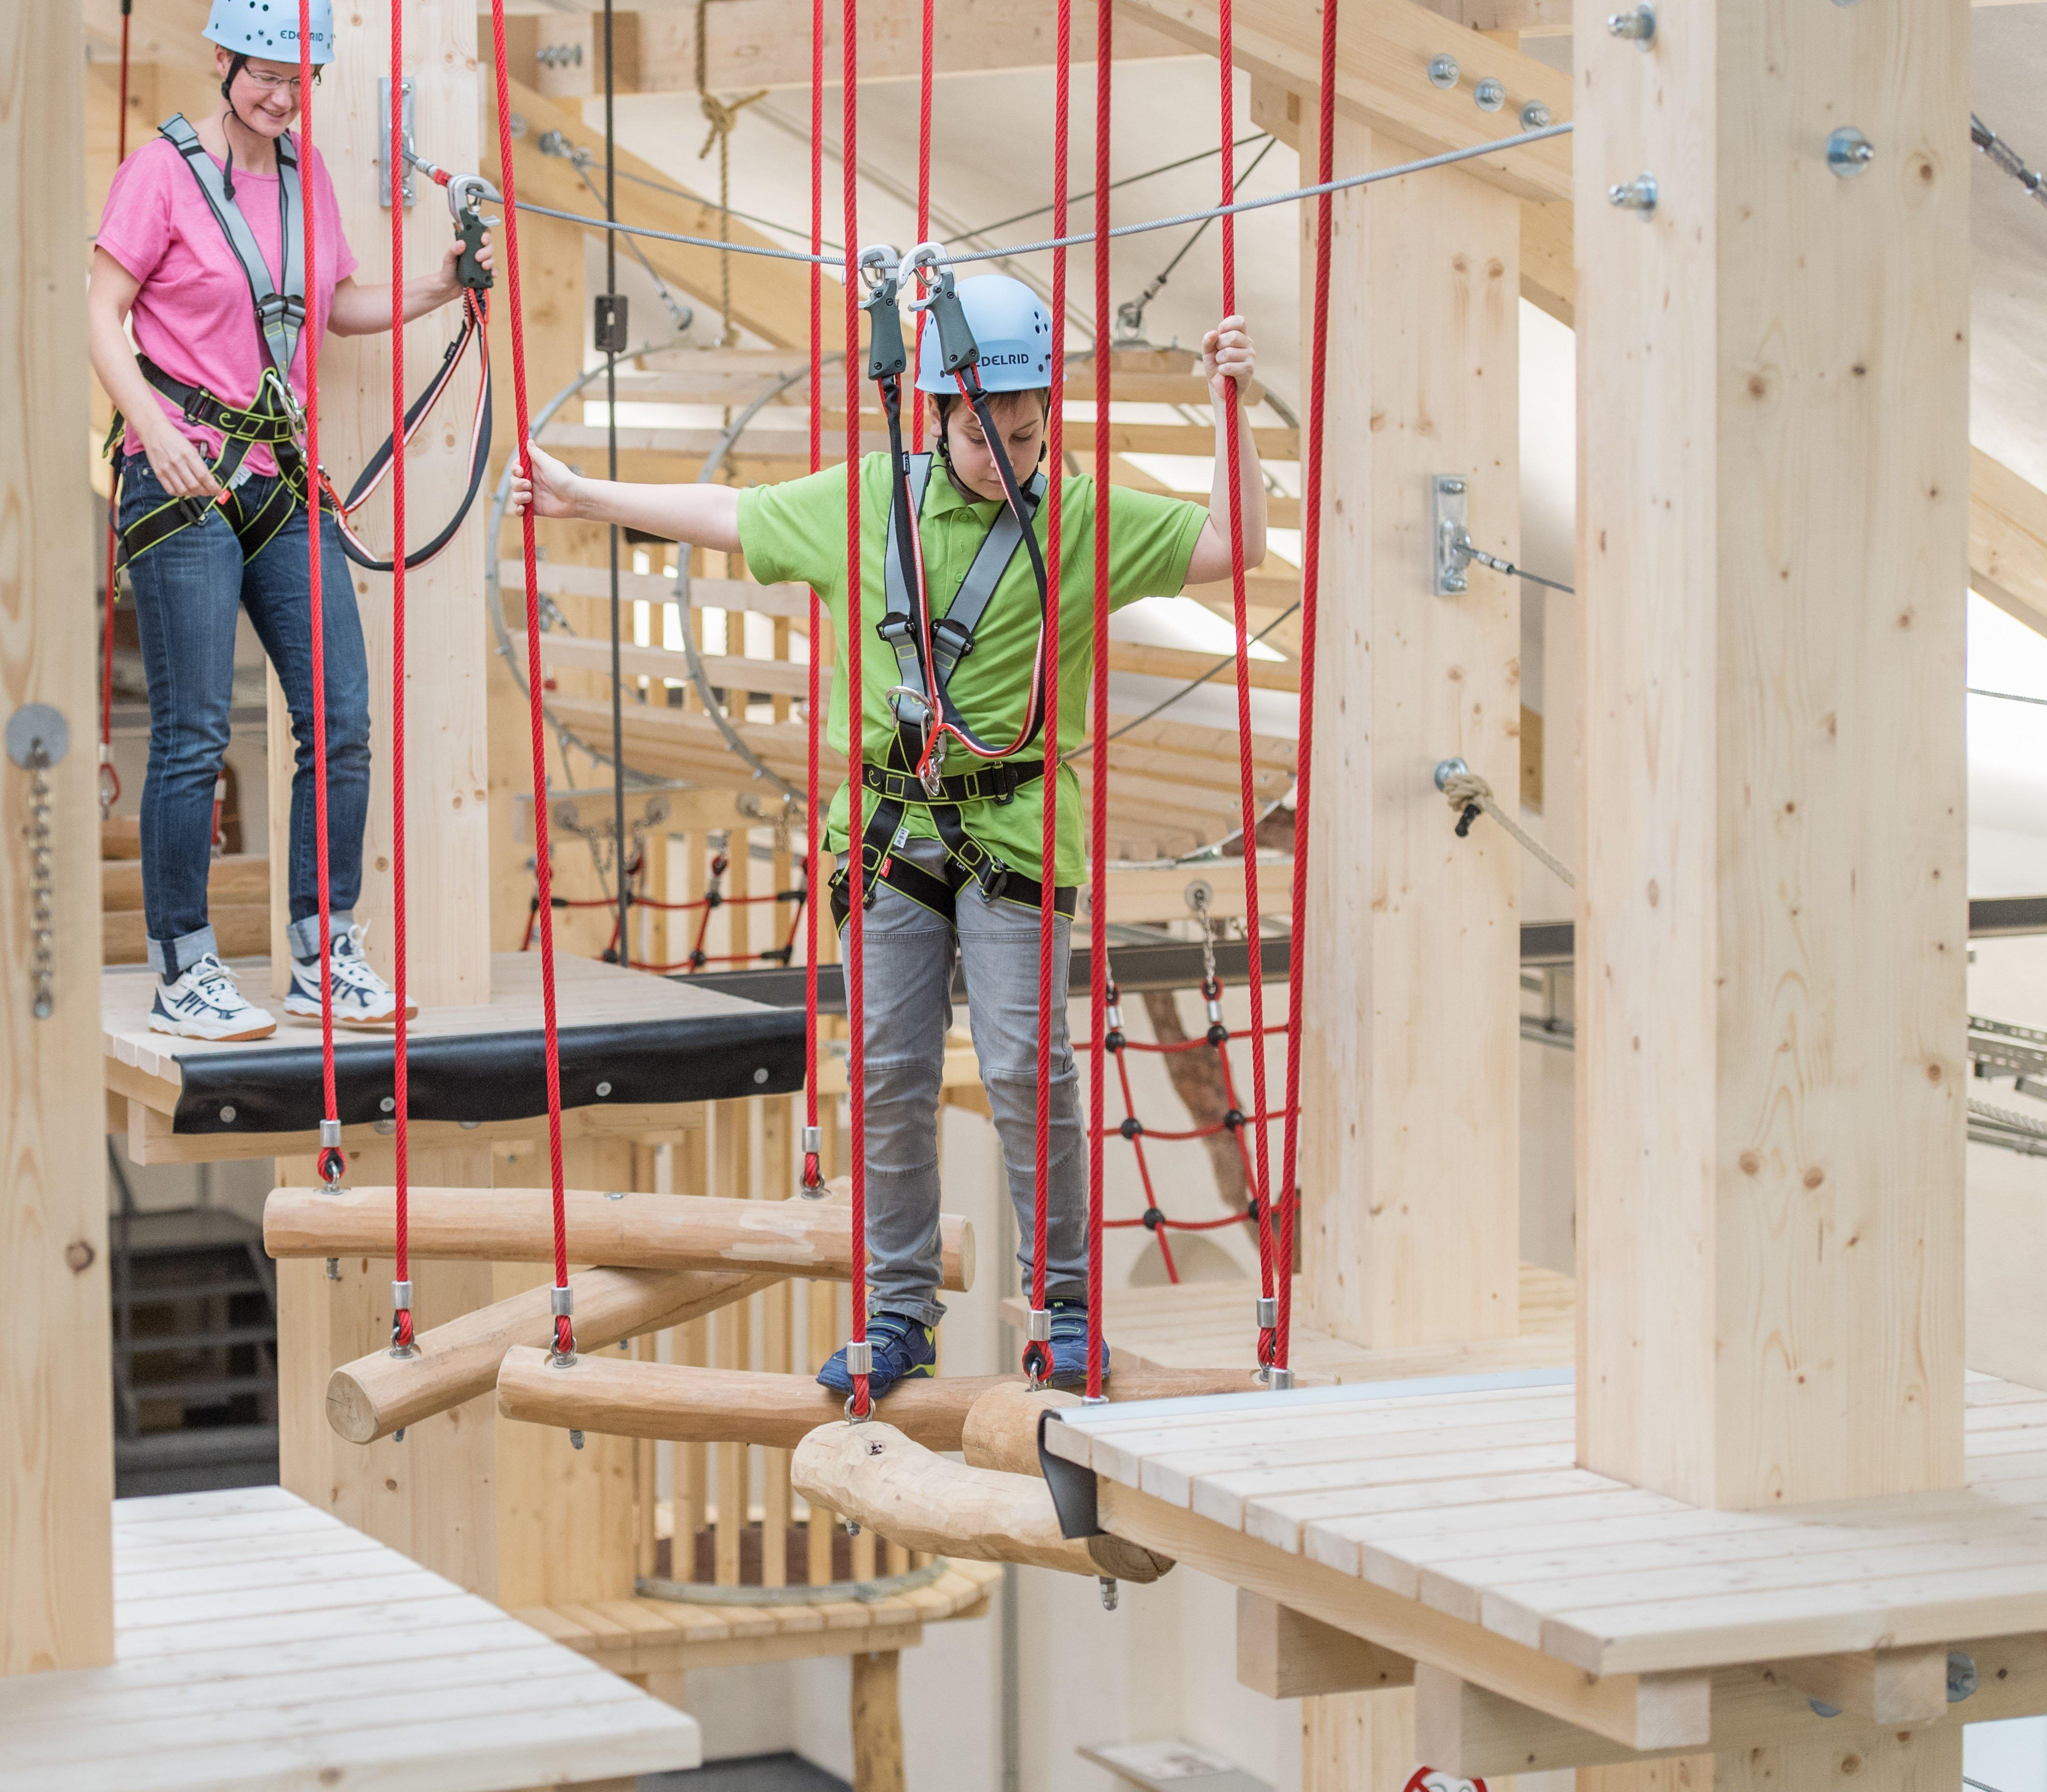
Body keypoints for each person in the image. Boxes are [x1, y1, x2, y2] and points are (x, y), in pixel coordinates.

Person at [515, 276, 1267, 1394]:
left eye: (1025, 430)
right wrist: (584, 498)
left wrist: (1232, 402)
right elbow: (729, 516)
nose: (1006, 454)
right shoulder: (869, 503)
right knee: (887, 1072)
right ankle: (898, 1311)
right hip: (884, 828)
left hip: (1012, 825)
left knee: (1025, 1068)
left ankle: (1064, 1308)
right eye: (980, 435)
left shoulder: (1076, 519)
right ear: (934, 419)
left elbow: (1232, 543)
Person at [87, 0, 489, 1041]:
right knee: (194, 734)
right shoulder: (161, 173)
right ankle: (185, 967)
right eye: (263, 71)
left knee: (340, 717)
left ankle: (325, 950)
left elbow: (332, 305)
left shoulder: (306, 178)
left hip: (278, 475)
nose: (278, 92)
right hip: (181, 472)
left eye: (295, 78)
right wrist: (150, 429)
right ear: (221, 61)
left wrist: (441, 285)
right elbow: (102, 309)